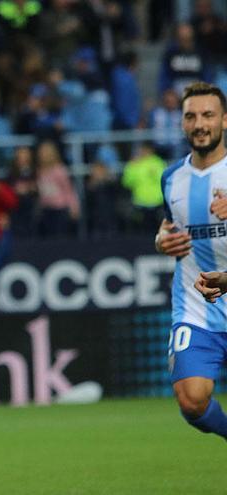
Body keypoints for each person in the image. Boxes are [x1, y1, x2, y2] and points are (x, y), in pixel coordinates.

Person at [155, 82, 227, 441]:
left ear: (224, 120)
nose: (200, 124)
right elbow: (169, 226)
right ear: (182, 123)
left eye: (208, 115)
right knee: (191, 400)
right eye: (191, 116)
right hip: (196, 305)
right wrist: (160, 239)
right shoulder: (171, 178)